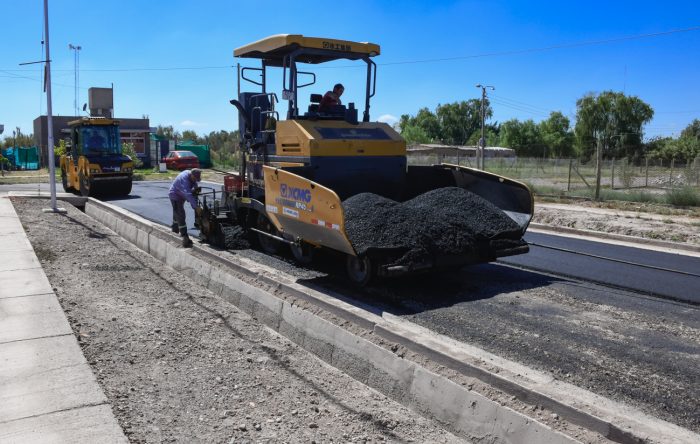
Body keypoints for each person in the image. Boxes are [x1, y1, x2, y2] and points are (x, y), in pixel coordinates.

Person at [168, 168, 202, 247]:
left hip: (181, 195)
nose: (195, 180)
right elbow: (188, 195)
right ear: (191, 175)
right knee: (181, 214)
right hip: (175, 196)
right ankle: (184, 236)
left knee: (176, 212)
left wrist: (196, 190)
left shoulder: (191, 177)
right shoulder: (184, 180)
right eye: (195, 178)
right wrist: (196, 207)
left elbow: (194, 185)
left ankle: (174, 228)